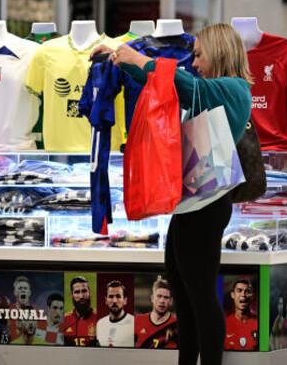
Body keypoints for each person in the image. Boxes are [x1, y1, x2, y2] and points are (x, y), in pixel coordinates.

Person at [96, 22, 252, 365]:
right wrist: (122, 61)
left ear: (220, 52)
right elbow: (161, 81)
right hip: (192, 203)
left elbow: (178, 81)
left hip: (206, 204)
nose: (193, 62)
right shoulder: (208, 86)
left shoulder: (232, 88)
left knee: (199, 295)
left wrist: (138, 58)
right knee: (184, 294)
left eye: (198, 55)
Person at [135, 278, 178, 349]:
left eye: (166, 297)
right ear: (152, 298)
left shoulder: (176, 326)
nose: (162, 301)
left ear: (170, 301)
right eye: (159, 296)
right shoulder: (138, 320)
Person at [61, 276, 98, 347]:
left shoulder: (99, 320)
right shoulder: (64, 321)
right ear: (71, 295)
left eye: (84, 291)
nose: (81, 296)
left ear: (90, 293)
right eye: (77, 292)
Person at [96, 281, 134, 347]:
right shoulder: (100, 324)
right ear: (106, 300)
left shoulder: (134, 323)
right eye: (111, 296)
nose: (114, 301)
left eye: (118, 296)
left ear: (125, 300)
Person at [224, 279, 257, 351]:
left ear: (252, 296)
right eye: (239, 290)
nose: (243, 294)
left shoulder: (260, 323)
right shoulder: (224, 325)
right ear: (232, 295)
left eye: (247, 291)